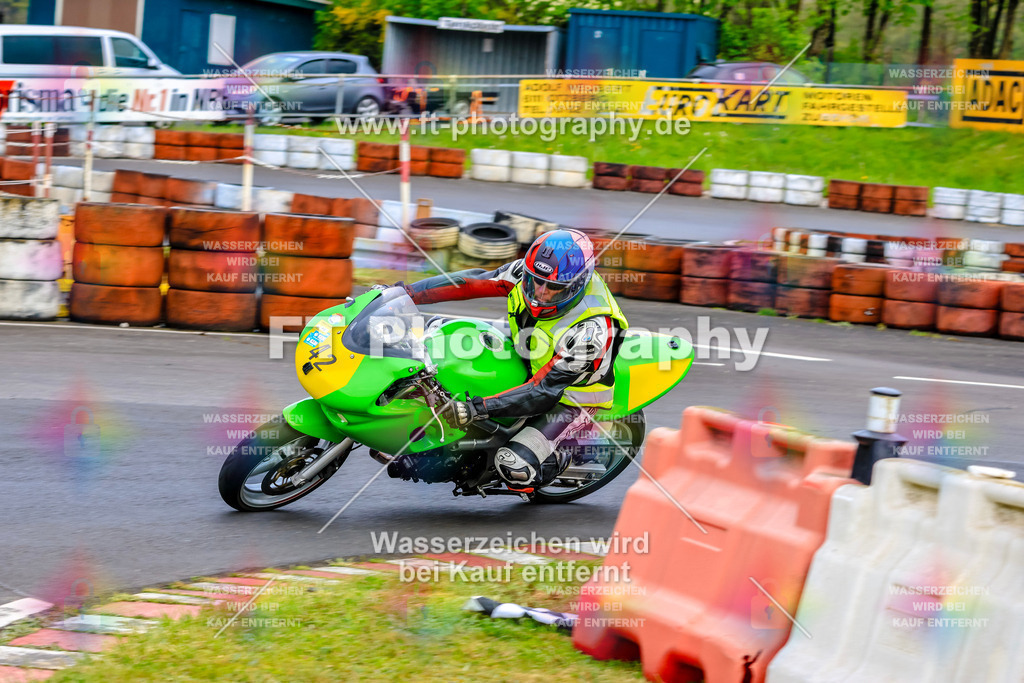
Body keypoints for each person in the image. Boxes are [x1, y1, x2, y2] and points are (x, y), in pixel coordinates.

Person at [399, 228, 628, 492]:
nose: (540, 292)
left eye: (554, 287)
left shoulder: (592, 330)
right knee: (443, 336)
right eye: (535, 281)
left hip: (570, 396)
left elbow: (544, 391)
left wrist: (477, 408)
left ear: (576, 285)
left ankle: (563, 457)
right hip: (529, 352)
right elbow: (471, 282)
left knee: (514, 465)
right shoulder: (526, 273)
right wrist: (406, 293)